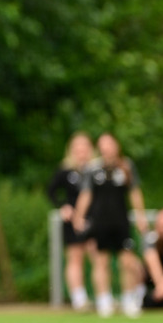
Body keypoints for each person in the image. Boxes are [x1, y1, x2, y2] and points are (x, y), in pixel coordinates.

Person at [72, 132, 147, 318]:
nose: (106, 148)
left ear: (116, 146)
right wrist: (78, 216)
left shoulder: (126, 166)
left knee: (127, 262)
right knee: (101, 262)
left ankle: (128, 300)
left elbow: (135, 192)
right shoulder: (93, 169)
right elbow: (86, 194)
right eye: (102, 145)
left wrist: (141, 216)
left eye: (109, 144)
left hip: (121, 222)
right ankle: (104, 300)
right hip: (100, 223)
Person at [47, 131, 96, 311]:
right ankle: (79, 298)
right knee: (75, 257)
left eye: (84, 148)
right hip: (72, 220)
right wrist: (63, 206)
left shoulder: (96, 170)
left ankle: (102, 295)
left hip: (93, 220)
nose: (81, 152)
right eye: (77, 148)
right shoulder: (65, 170)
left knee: (97, 255)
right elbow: (51, 191)